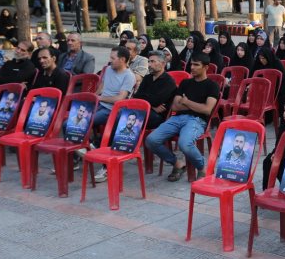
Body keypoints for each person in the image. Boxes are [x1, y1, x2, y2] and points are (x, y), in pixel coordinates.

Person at [146, 53, 220, 182]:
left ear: (206, 67)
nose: (192, 67)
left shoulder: (212, 85)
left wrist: (186, 102)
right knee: (151, 140)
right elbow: (175, 106)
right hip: (177, 118)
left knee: (184, 143)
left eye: (196, 65)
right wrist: (197, 106)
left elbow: (207, 110)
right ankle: (177, 164)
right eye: (191, 64)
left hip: (197, 120)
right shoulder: (185, 83)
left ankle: (202, 168)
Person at [93, 47, 137, 137]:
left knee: (86, 121)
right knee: (70, 122)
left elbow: (120, 98)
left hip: (112, 109)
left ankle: (92, 142)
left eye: (113, 58)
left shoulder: (129, 76)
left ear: (122, 60)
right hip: (99, 104)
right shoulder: (109, 69)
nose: (110, 60)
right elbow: (101, 87)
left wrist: (100, 98)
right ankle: (89, 141)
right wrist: (94, 98)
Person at [133, 51, 177, 129]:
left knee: (132, 118)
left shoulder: (169, 81)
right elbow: (137, 96)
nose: (149, 65)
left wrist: (146, 98)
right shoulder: (147, 78)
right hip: (145, 109)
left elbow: (156, 100)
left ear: (163, 64)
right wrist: (152, 106)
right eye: (149, 61)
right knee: (123, 114)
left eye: (152, 61)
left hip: (158, 117)